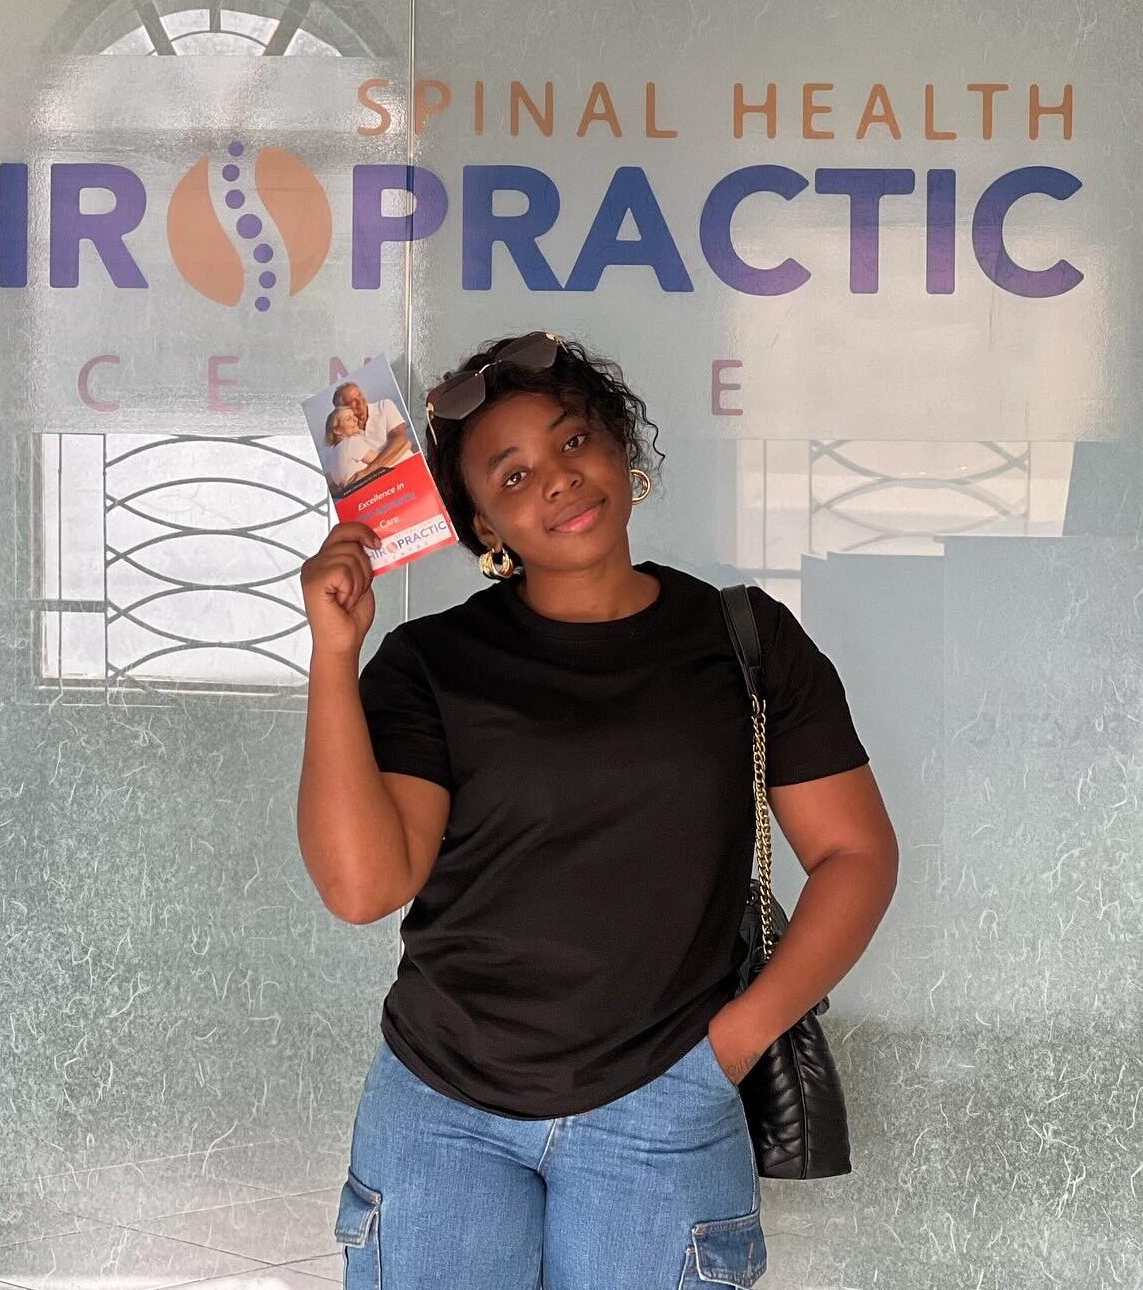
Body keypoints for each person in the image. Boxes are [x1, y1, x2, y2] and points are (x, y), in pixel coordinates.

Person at [296, 332, 899, 1290]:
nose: (558, 481)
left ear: (621, 450)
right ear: (482, 524)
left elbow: (856, 855)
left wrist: (731, 1044)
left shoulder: (744, 642)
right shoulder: (433, 665)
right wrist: (335, 654)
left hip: (665, 1103)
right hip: (441, 1109)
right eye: (514, 472)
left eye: (573, 443)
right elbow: (365, 886)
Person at [322, 406, 383, 493]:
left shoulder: (333, 453)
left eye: (354, 416)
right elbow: (382, 459)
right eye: (348, 419)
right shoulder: (350, 442)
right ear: (337, 430)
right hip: (372, 491)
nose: (355, 419)